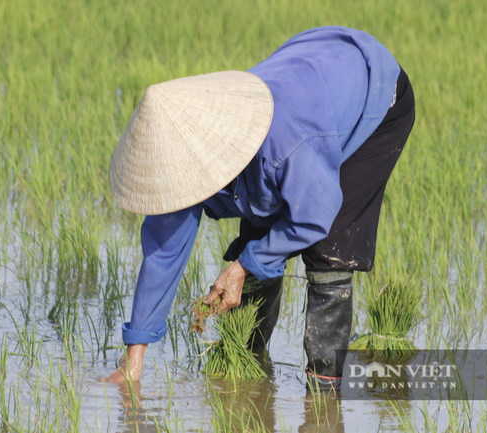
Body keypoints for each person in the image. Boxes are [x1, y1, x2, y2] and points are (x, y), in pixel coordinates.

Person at [103, 26, 415, 388]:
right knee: (259, 227)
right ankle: (249, 361)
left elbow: (314, 216)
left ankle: (324, 393)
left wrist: (241, 267)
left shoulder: (285, 145)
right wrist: (133, 362)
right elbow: (162, 252)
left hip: (374, 92)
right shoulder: (182, 157)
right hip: (309, 69)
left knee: (329, 245)